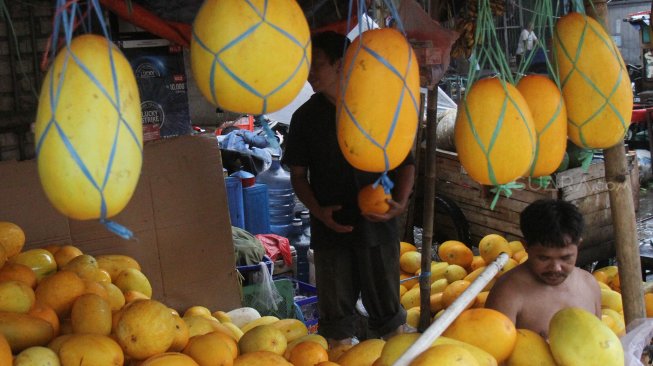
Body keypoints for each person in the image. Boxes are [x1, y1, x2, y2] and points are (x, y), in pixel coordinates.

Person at [282, 31, 416, 346]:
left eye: (317, 65)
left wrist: (401, 200)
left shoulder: (375, 106)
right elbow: (298, 175)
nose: (309, 75)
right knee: (336, 323)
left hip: (377, 227)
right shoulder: (306, 117)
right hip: (332, 229)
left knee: (389, 315)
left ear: (341, 64)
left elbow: (406, 163)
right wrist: (319, 212)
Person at [485, 199, 602, 339]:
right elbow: (496, 354)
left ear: (578, 245)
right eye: (544, 258)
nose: (556, 268)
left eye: (566, 258)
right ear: (526, 246)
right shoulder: (507, 294)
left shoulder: (589, 284)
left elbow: (600, 342)